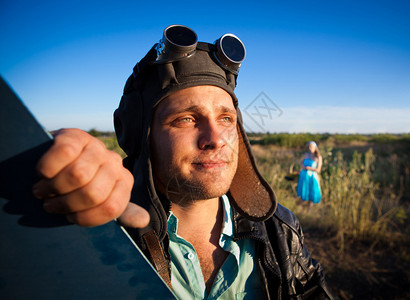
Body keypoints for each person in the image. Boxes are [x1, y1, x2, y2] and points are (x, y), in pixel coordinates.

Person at [32, 25, 334, 299]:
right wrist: (34, 167)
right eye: (186, 119)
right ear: (140, 135)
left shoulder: (279, 229)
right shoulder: (105, 231)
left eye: (226, 118)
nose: (215, 138)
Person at [297, 141, 323, 211]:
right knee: (303, 191)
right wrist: (303, 167)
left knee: (312, 192)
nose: (309, 148)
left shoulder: (318, 157)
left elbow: (318, 170)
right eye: (308, 146)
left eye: (311, 147)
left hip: (312, 177)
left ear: (315, 148)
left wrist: (310, 168)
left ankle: (309, 210)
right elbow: (301, 163)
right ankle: (301, 210)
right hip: (304, 176)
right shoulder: (305, 155)